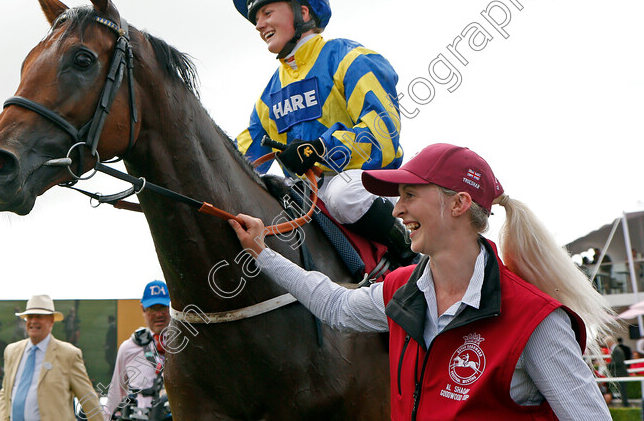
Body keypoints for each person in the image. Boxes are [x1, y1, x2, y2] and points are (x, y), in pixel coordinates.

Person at [229, 143, 618, 420]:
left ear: (459, 203)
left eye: (410, 194)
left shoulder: (536, 320)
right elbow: (335, 305)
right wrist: (264, 254)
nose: (397, 208)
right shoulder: (401, 290)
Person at [232, 0, 415, 265]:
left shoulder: (349, 58)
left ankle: (413, 256)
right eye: (256, 18)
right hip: (309, 194)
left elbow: (383, 133)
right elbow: (242, 155)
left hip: (368, 183)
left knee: (344, 196)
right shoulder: (269, 95)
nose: (259, 24)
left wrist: (320, 149)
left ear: (302, 12)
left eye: (266, 12)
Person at [0, 295, 104, 421]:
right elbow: (5, 392)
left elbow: (88, 398)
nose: (33, 321)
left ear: (51, 321)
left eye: (39, 316)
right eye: (30, 317)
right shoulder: (11, 351)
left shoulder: (68, 354)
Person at [104, 281, 171, 419]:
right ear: (143, 309)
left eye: (163, 307)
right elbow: (116, 392)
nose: (159, 314)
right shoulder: (128, 348)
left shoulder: (185, 344)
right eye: (153, 308)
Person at [607, 336, 630, 406]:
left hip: (621, 373)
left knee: (623, 390)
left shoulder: (617, 350)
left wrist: (608, 365)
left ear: (610, 342)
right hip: (620, 373)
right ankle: (625, 404)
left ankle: (625, 405)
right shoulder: (616, 349)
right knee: (622, 390)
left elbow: (618, 362)